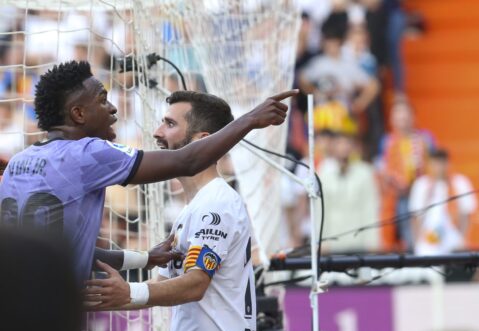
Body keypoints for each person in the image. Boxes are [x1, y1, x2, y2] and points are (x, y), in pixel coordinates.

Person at [0, 60, 296, 283]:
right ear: (78, 114)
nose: (113, 109)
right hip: (45, 312)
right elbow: (186, 161)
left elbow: (73, 252)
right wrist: (250, 120)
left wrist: (145, 258)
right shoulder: (88, 152)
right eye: (103, 100)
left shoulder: (18, 162)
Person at [85, 91, 257, 331]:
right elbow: (160, 285)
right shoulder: (192, 207)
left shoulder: (217, 202)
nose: (157, 132)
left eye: (170, 124)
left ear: (202, 140)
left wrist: (129, 292)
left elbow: (196, 283)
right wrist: (92, 297)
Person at [379, 100, 435, 251]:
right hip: (398, 195)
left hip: (422, 193)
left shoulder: (425, 139)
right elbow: (383, 168)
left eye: (405, 113)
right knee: (402, 231)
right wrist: (394, 182)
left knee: (424, 231)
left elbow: (433, 165)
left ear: (413, 117)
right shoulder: (387, 141)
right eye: (397, 113)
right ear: (392, 118)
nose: (401, 117)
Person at [409, 149, 477, 256]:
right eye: (435, 163)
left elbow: (467, 214)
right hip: (427, 244)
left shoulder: (459, 182)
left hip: (453, 243)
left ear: (448, 164)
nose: (438, 168)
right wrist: (417, 243)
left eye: (441, 163)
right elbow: (415, 217)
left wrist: (462, 240)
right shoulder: (421, 185)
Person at [319, 133, 380, 253]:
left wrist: (372, 241)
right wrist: (321, 241)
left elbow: (370, 208)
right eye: (339, 143)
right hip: (333, 242)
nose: (343, 147)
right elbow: (321, 212)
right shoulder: (324, 175)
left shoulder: (365, 173)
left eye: (347, 143)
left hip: (359, 242)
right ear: (332, 147)